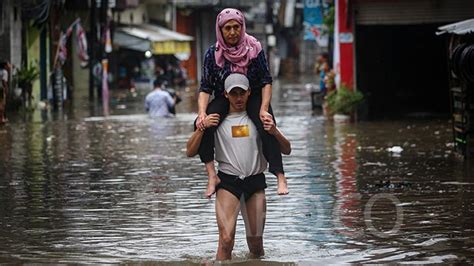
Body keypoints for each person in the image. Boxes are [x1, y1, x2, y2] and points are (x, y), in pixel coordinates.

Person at [186, 73, 291, 261]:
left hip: (255, 182)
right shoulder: (216, 118)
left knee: (256, 243)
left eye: (242, 93)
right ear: (226, 95)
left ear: (249, 92)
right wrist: (201, 127)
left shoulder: (259, 116)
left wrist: (275, 131)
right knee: (226, 240)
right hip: (228, 183)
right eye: (233, 93)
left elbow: (287, 149)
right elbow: (190, 151)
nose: (239, 98)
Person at [195, 8, 288, 198]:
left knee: (267, 124)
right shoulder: (212, 54)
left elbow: (266, 81)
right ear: (220, 30)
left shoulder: (255, 48)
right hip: (225, 96)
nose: (232, 32)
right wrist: (202, 113)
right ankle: (212, 176)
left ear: (242, 27)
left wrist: (263, 109)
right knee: (203, 126)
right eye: (227, 28)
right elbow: (205, 88)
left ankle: (280, 175)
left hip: (252, 96)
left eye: (236, 27)